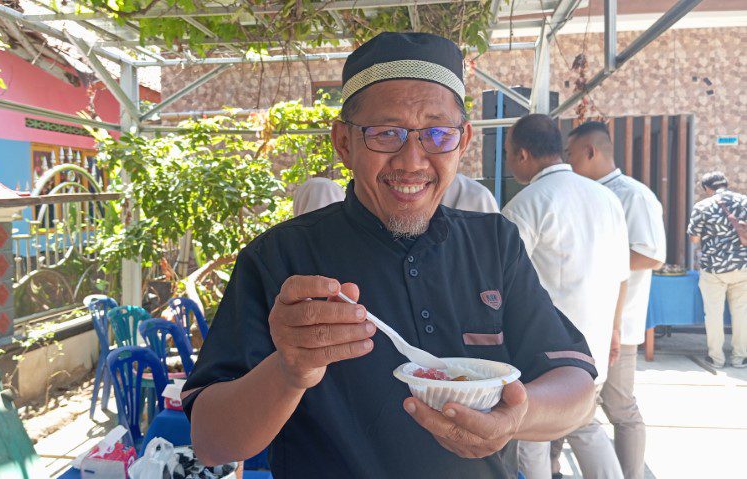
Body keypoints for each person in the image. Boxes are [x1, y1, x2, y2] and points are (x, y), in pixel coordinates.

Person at [181, 32, 598, 479]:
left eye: (437, 133)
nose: (412, 161)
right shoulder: (279, 259)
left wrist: (517, 415)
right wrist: (288, 370)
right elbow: (211, 442)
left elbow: (576, 389)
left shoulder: (494, 243)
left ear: (462, 141)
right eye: (386, 133)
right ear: (344, 143)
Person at [501, 114, 629, 479]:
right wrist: (615, 330)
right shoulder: (606, 197)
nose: (508, 162)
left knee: (531, 435)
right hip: (595, 339)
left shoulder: (526, 205)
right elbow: (623, 274)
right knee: (585, 423)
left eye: (508, 154)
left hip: (544, 349)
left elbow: (501, 283)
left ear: (523, 154)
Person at [565, 121, 667, 479]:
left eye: (570, 154)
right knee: (575, 405)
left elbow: (652, 255)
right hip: (585, 319)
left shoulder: (632, 195)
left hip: (617, 326)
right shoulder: (586, 193)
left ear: (591, 152)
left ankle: (630, 473)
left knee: (620, 407)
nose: (567, 162)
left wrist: (592, 259)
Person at [687, 171, 747, 368]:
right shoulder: (744, 202)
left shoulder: (702, 206)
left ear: (707, 188)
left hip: (714, 268)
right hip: (742, 267)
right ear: (726, 184)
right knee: (742, 313)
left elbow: (694, 238)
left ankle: (716, 358)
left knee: (713, 313)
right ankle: (740, 358)